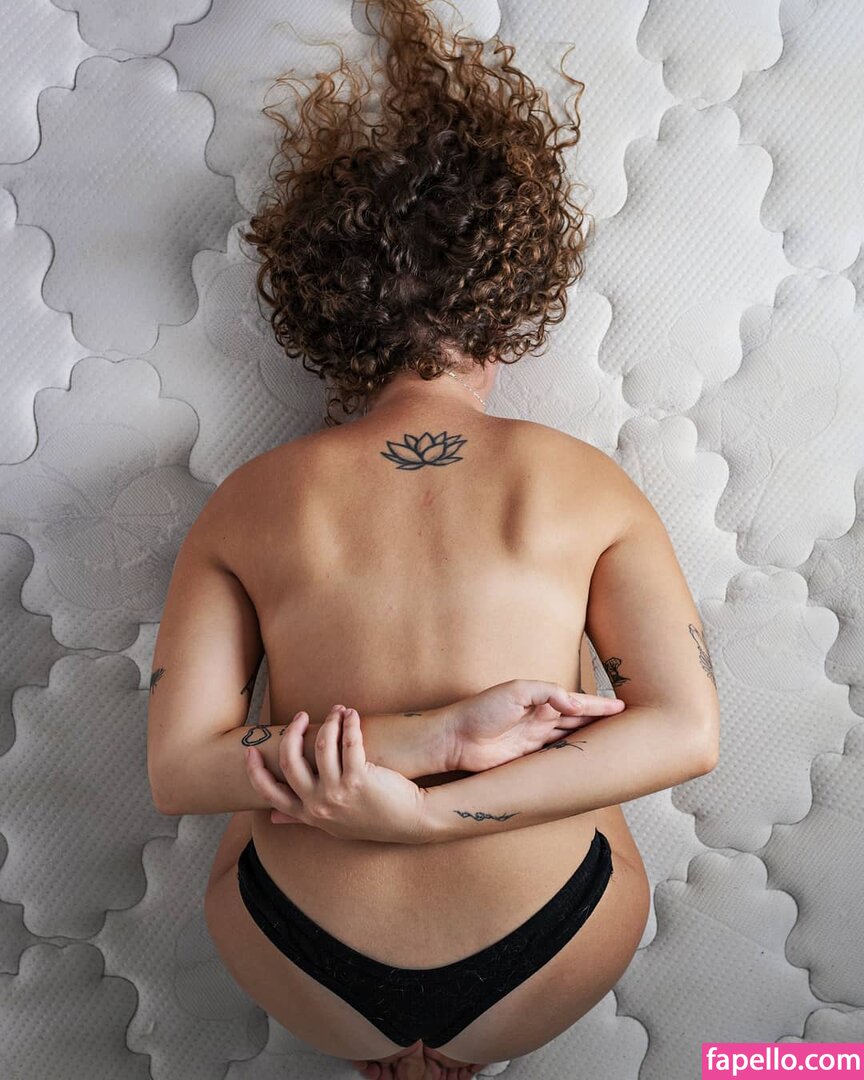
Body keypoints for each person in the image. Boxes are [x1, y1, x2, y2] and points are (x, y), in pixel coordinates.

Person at [146, 2, 720, 1077]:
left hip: (299, 956)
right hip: (550, 943)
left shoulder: (248, 501)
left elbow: (180, 770)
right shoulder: (586, 483)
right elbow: (685, 732)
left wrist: (413, 753)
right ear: (514, 298)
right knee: (594, 757)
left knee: (243, 800)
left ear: (327, 312)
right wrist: (436, 809)